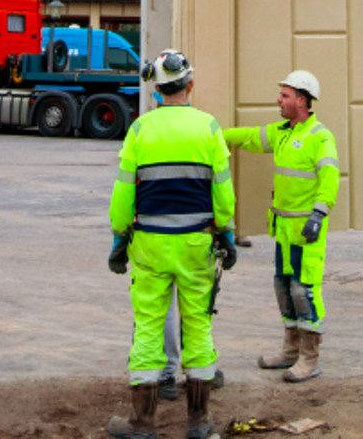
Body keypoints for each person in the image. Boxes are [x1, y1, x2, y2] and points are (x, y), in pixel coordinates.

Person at [107, 50, 237, 439]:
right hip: (197, 243)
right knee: (198, 326)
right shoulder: (209, 128)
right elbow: (223, 194)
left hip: (150, 245)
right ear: (190, 85)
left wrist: (118, 239)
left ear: (157, 90)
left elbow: (123, 196)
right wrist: (226, 234)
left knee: (148, 325)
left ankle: (142, 423)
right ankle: (198, 422)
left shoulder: (140, 130)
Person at [222, 70, 338, 383]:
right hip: (284, 229)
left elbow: (330, 179)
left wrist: (318, 214)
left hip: (306, 230)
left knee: (304, 291)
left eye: (285, 96)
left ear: (302, 100)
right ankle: (290, 351)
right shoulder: (281, 132)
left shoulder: (320, 137)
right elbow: (247, 137)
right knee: (284, 288)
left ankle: (309, 358)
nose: (279, 100)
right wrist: (211, 135)